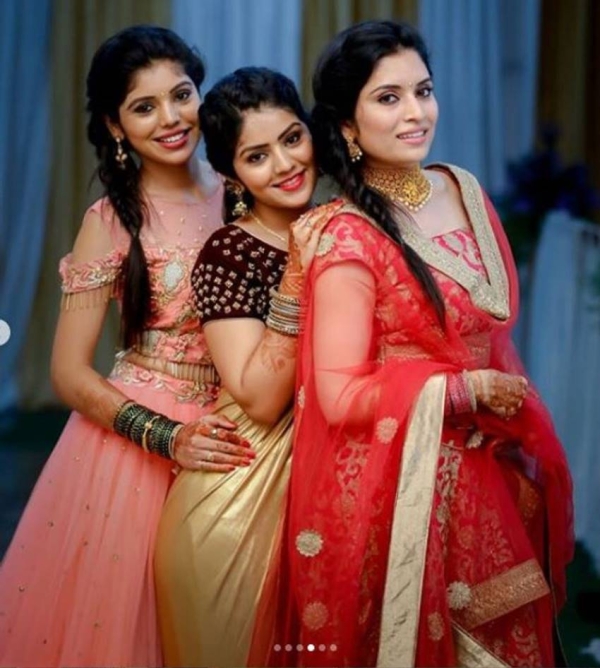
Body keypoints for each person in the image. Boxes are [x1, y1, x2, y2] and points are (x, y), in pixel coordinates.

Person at [250, 20, 574, 668]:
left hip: (490, 470)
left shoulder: (463, 190)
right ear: (348, 125)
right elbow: (339, 394)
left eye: (423, 91)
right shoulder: (348, 237)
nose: (415, 113)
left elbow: (488, 336)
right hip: (404, 495)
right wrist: (465, 390)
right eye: (388, 98)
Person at [0, 25, 251, 668]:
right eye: (144, 107)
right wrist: (167, 437)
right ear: (116, 126)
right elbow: (67, 372)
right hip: (137, 450)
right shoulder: (111, 220)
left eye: (181, 95)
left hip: (242, 426)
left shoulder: (243, 190)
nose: (171, 119)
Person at [154, 67, 337, 667]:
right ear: (232, 175)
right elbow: (258, 397)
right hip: (238, 504)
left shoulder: (345, 226)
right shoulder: (228, 253)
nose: (285, 164)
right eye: (257, 156)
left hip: (333, 492)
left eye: (292, 138)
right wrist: (296, 273)